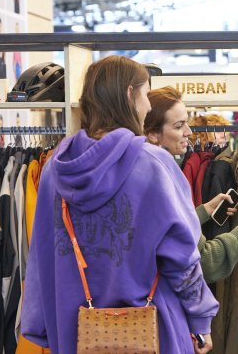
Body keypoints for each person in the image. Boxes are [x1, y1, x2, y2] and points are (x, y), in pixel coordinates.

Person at [21, 55, 219, 354]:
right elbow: (181, 257)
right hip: (152, 330)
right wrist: (200, 320)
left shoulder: (55, 169)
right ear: (129, 94)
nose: (148, 106)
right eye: (145, 94)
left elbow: (41, 256)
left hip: (75, 332)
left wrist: (40, 325)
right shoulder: (154, 164)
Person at [144, 86, 238, 284]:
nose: (189, 132)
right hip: (164, 302)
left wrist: (204, 211)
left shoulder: (145, 170)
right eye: (179, 125)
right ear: (154, 134)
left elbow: (170, 231)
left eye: (187, 123)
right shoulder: (163, 180)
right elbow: (203, 261)